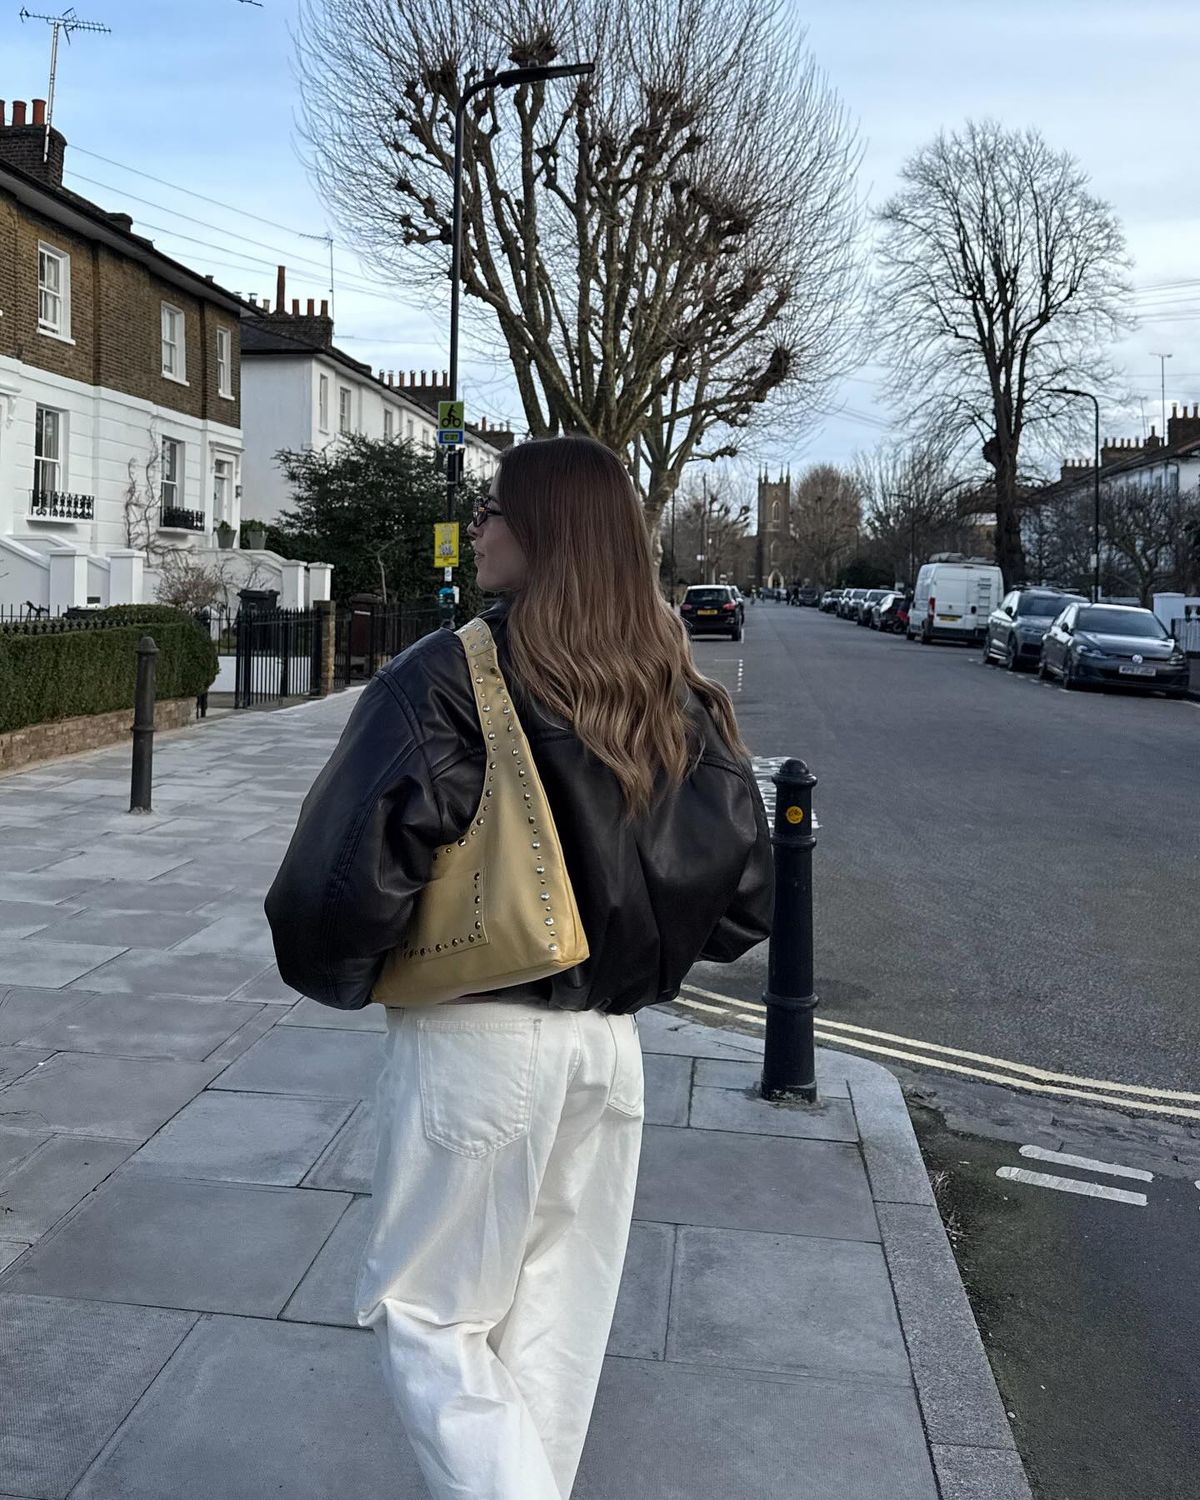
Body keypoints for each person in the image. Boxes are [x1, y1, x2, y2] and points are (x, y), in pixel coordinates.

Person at [265, 433, 773, 1500]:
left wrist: (355, 970)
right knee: (552, 1325)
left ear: (546, 532)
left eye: (494, 509)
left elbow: (335, 888)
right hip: (609, 1055)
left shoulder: (449, 675)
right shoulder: (675, 689)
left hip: (477, 1039)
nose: (479, 526)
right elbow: (745, 904)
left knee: (429, 1316)